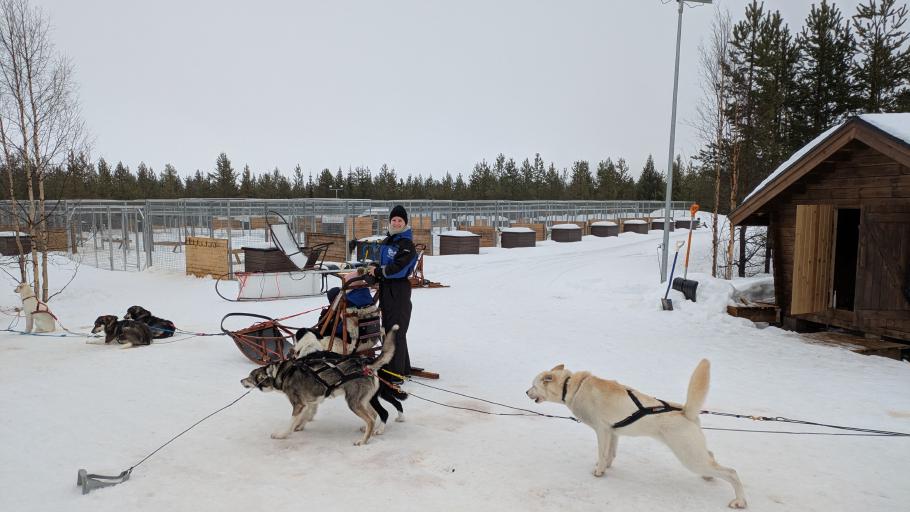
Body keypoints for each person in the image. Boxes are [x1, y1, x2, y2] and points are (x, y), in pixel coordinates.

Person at [370, 204, 419, 383]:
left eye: (400, 220)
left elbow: (399, 268)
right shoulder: (388, 240)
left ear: (405, 223)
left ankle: (395, 374)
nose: (396, 223)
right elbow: (383, 263)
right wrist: (374, 268)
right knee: (389, 328)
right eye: (394, 220)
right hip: (386, 289)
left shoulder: (407, 244)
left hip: (398, 289)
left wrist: (379, 272)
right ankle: (402, 368)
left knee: (396, 330)